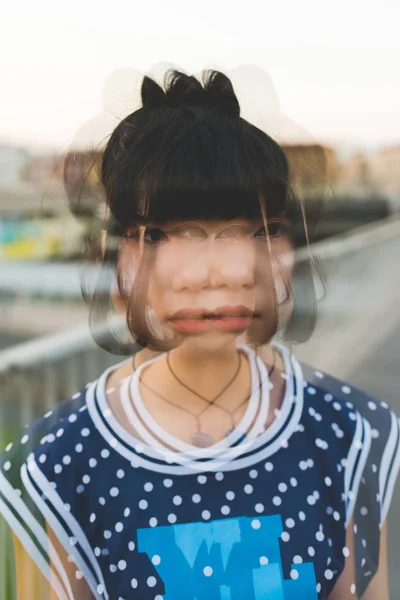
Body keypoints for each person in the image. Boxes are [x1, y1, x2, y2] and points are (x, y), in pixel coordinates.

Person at [0, 69, 399, 600]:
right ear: (119, 253)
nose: (218, 273)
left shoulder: (350, 435)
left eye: (253, 233)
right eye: (169, 236)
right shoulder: (58, 462)